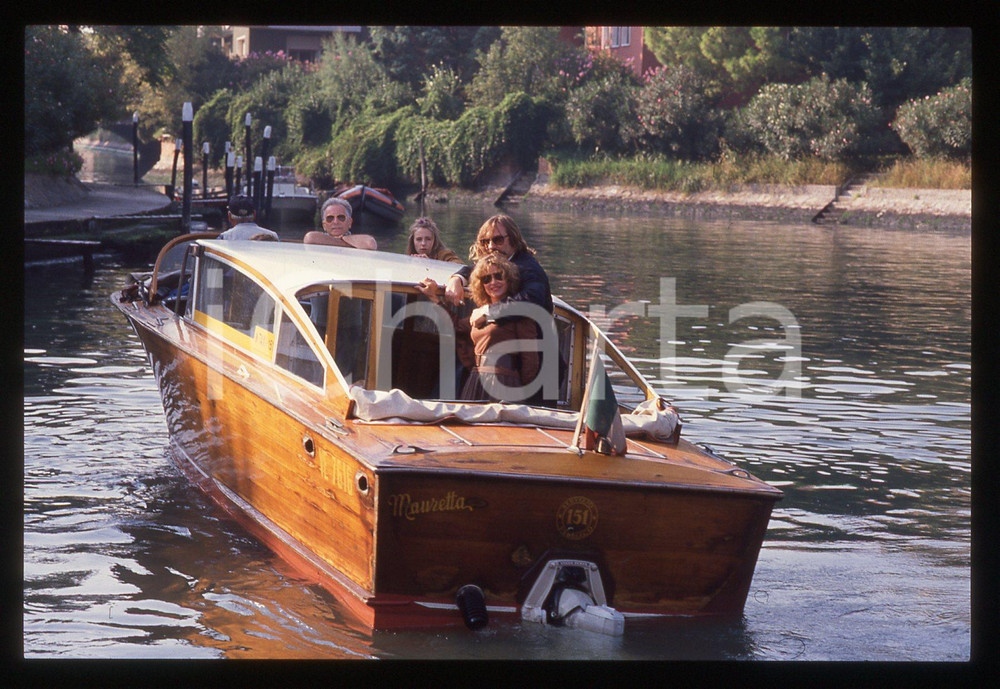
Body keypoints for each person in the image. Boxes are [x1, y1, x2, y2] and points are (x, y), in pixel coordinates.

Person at [459, 254, 540, 403]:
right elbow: (457, 327)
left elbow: (531, 360)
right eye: (486, 279)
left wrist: (516, 387)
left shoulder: (520, 312)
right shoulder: (478, 313)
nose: (493, 282)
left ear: (508, 279)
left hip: (504, 382)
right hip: (476, 379)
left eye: (498, 276)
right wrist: (436, 300)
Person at [303, 197, 377, 250]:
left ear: (350, 222)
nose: (335, 222)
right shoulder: (316, 238)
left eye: (341, 217)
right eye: (330, 218)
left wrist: (344, 239)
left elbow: (370, 243)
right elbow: (309, 238)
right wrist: (343, 242)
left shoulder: (359, 240)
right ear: (324, 225)